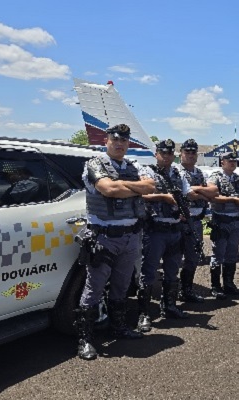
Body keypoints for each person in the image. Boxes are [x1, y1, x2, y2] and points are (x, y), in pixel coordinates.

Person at [75, 123, 156, 361]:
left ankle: (118, 327)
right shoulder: (94, 164)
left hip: (131, 236)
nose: (119, 144)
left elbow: (150, 187)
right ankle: (85, 339)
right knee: (94, 288)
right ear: (106, 141)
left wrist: (123, 186)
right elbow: (108, 189)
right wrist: (131, 187)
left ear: (128, 142)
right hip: (104, 236)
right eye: (115, 140)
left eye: (123, 140)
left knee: (121, 285)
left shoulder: (134, 165)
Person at [137, 139, 200, 332]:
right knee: (149, 272)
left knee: (172, 271)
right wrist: (163, 197)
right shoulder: (148, 172)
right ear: (156, 154)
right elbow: (141, 195)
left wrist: (184, 204)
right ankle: (144, 314)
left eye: (170, 154)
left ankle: (170, 306)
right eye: (163, 153)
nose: (166, 157)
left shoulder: (177, 173)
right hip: (155, 229)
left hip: (175, 229)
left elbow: (188, 193)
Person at [177, 139, 215, 303]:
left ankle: (187, 289)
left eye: (193, 152)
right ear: (181, 154)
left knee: (193, 258)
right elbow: (188, 194)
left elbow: (213, 192)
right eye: (187, 152)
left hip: (197, 221)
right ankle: (171, 294)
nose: (191, 155)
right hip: (180, 221)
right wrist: (202, 192)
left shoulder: (199, 173)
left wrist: (197, 191)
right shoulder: (175, 171)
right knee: (175, 259)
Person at [206, 152, 239, 298]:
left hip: (236, 221)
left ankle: (229, 284)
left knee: (232, 254)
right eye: (229, 161)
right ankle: (215, 286)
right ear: (222, 162)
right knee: (218, 254)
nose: (233, 163)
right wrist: (233, 200)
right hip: (221, 220)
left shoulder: (238, 178)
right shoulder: (215, 176)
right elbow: (213, 196)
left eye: (234, 161)